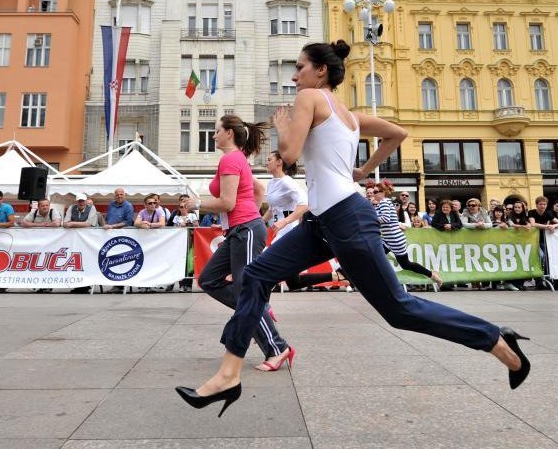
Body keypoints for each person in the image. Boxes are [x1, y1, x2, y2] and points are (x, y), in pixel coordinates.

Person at [176, 40, 530, 416]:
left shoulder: (309, 99)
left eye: (300, 67)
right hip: (321, 221)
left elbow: (290, 155)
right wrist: (362, 170)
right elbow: (397, 133)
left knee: (400, 309)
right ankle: (228, 374)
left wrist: (283, 129)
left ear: (320, 71)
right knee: (256, 274)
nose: (294, 76)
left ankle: (494, 337)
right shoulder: (349, 115)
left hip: (347, 217)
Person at [184, 115, 292, 373]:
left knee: (246, 292)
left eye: (217, 130)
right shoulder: (236, 159)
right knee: (208, 279)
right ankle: (258, 307)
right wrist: (249, 214)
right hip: (240, 229)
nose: (213, 135)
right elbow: (257, 191)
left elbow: (228, 203)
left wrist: (197, 203)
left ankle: (277, 347)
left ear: (229, 133)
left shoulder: (231, 159)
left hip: (245, 230)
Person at [264, 150, 345, 291]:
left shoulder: (287, 182)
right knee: (293, 283)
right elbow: (271, 209)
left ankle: (258, 305)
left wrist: (285, 221)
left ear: (279, 162)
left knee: (265, 266)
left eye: (269, 159)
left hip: (288, 231)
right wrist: (258, 222)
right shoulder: (271, 183)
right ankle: (336, 276)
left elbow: (305, 204)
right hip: (277, 231)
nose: (266, 162)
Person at [372, 181, 443, 285]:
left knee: (403, 264)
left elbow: (385, 219)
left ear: (383, 192)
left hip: (395, 239)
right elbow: (391, 219)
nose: (374, 194)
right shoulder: (383, 203)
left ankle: (432, 275)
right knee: (382, 259)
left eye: (375, 192)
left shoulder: (384, 202)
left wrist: (371, 219)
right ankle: (432, 274)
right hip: (389, 238)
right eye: (373, 192)